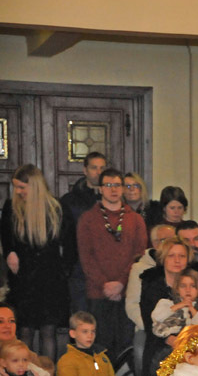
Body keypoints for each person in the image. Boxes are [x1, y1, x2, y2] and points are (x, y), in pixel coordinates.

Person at [2, 165, 75, 361]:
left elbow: (71, 246)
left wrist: (63, 272)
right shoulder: (11, 208)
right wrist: (9, 253)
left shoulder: (57, 209)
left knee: (47, 332)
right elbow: (6, 238)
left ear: (35, 186)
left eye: (22, 187)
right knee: (24, 331)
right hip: (23, 280)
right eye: (16, 187)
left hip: (50, 282)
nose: (18, 192)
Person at [77, 168, 148, 361]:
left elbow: (139, 255)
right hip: (98, 292)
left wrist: (121, 283)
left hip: (128, 292)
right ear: (100, 189)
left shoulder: (135, 219)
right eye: (108, 185)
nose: (113, 189)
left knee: (126, 345)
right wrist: (105, 284)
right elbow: (86, 256)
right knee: (100, 345)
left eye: (117, 185)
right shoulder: (87, 219)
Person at [138, 238, 193, 376]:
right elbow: (149, 324)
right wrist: (171, 340)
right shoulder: (151, 287)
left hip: (191, 344)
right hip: (160, 344)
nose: (177, 260)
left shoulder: (195, 284)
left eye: (182, 256)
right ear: (163, 259)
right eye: (171, 256)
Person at [125, 224, 178, 375]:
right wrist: (153, 327)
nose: (170, 244)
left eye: (174, 239)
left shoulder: (184, 269)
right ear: (154, 243)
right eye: (164, 240)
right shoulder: (140, 269)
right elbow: (132, 305)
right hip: (149, 327)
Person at [60, 152, 106, 313]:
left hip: (107, 266)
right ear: (85, 170)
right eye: (94, 168)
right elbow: (64, 235)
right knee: (81, 314)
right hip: (78, 266)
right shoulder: (69, 201)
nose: (98, 172)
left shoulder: (114, 199)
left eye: (102, 168)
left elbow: (119, 229)